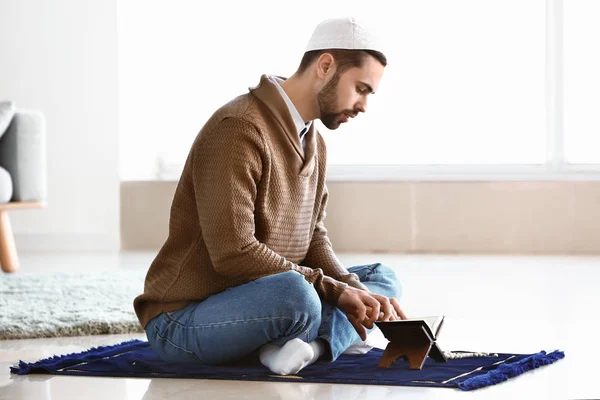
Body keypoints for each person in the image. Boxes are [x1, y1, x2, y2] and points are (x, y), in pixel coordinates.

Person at [133, 16, 407, 376]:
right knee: (300, 296)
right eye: (361, 88)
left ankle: (307, 348)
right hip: (185, 319)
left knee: (379, 280)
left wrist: (351, 287)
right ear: (326, 66)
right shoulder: (238, 128)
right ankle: (317, 338)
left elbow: (314, 238)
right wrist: (333, 291)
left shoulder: (314, 141)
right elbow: (233, 253)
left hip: (268, 293)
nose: (363, 105)